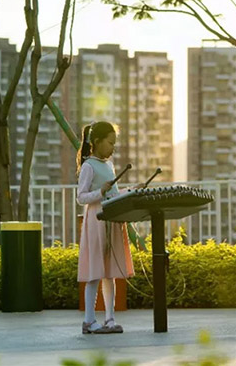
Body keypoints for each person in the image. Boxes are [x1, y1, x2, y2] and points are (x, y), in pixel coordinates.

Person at [76, 121, 134, 334]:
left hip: (111, 219)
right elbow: (81, 197)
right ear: (97, 142)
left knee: (109, 272)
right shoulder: (89, 166)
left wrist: (130, 191)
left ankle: (110, 318)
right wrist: (100, 192)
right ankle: (89, 321)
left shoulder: (109, 165)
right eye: (110, 143)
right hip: (97, 221)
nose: (113, 148)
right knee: (94, 271)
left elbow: (113, 194)